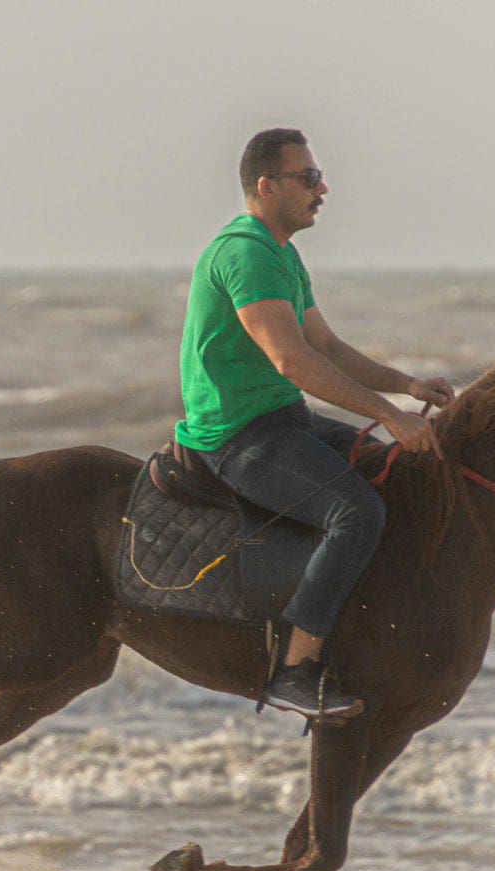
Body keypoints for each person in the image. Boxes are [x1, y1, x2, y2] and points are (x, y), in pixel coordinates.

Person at [175, 127, 455, 718]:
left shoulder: (282, 252)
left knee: (388, 469)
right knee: (357, 511)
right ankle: (295, 669)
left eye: (318, 176)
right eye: (308, 179)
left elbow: (324, 343)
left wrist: (405, 386)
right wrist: (387, 415)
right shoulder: (245, 253)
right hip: (235, 437)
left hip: (281, 419)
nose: (322, 188)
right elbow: (292, 359)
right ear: (266, 185)